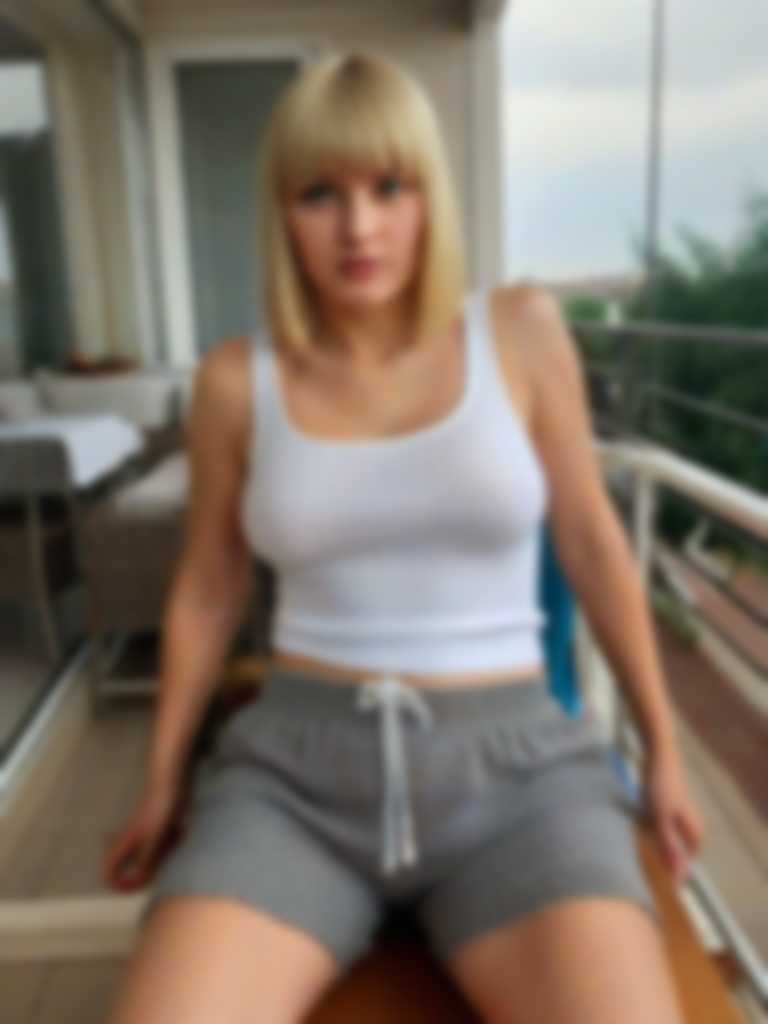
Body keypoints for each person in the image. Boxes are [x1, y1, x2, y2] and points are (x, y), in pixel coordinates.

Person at [103, 51, 704, 1023]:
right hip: (294, 784)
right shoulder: (234, 381)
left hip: (520, 784)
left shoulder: (521, 332)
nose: (360, 227)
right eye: (320, 194)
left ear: (432, 196)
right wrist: (161, 780)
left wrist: (663, 748)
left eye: (390, 186)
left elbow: (592, 543)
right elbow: (210, 586)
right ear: (282, 212)